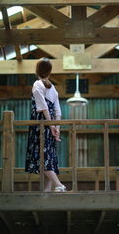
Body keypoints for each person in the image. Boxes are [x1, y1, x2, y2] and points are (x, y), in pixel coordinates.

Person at [25, 58, 66, 192]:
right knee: (47, 157)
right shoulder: (53, 89)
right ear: (49, 72)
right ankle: (46, 192)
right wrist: (56, 128)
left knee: (42, 158)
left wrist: (51, 126)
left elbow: (43, 108)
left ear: (37, 71)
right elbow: (58, 111)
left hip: (41, 127)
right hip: (50, 127)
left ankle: (59, 185)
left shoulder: (37, 84)